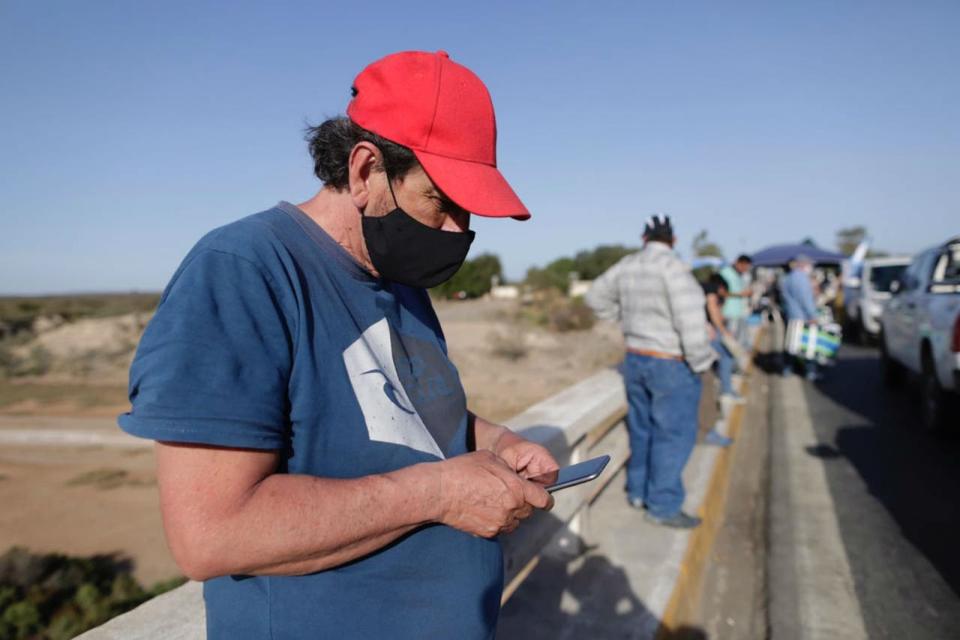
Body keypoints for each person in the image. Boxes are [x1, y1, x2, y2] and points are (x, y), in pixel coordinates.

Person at [118, 50, 558, 639]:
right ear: (364, 170)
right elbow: (211, 533)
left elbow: (404, 410)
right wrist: (441, 491)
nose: (459, 230)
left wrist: (500, 441)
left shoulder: (400, 277)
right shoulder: (242, 270)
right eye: (441, 201)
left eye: (468, 211)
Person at [586, 215, 715, 529]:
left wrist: (621, 318)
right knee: (672, 436)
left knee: (642, 430)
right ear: (673, 241)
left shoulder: (627, 265)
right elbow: (691, 322)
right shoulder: (675, 269)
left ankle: (638, 492)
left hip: (635, 358)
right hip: (670, 362)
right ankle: (663, 505)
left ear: (644, 239)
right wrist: (700, 362)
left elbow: (594, 297)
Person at [701, 273, 737, 447]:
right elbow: (714, 312)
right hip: (700, 342)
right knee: (725, 356)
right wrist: (724, 331)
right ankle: (727, 389)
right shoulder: (711, 291)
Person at [780, 254, 821, 380]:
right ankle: (810, 372)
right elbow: (805, 299)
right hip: (802, 316)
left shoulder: (787, 278)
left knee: (791, 344)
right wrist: (812, 315)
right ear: (803, 264)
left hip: (791, 315)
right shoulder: (802, 279)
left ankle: (787, 369)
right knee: (807, 345)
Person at [719, 254, 753, 348]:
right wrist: (739, 294)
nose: (746, 269)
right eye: (745, 266)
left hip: (740, 313)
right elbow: (720, 292)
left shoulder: (741, 276)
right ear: (739, 263)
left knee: (741, 343)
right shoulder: (725, 272)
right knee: (730, 344)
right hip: (728, 313)